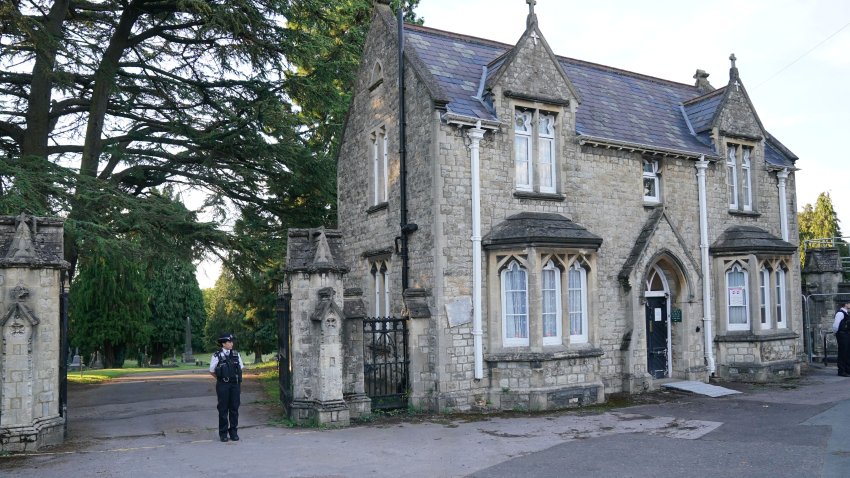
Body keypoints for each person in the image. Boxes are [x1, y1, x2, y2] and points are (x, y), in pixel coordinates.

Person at [209, 333, 244, 441]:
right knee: (223, 409)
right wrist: (222, 379)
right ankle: (223, 433)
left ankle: (233, 432)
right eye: (229, 342)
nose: (232, 343)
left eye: (231, 341)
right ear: (223, 344)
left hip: (235, 385)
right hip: (223, 385)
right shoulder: (217, 355)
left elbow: (241, 368)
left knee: (234, 408)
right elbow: (212, 371)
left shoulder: (236, 354)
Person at [833, 300, 850, 377]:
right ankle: (841, 371)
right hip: (842, 334)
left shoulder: (846, 313)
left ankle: (847, 369)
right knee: (843, 352)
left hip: (846, 334)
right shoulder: (840, 313)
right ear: (845, 304)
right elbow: (836, 325)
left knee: (847, 352)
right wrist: (836, 332)